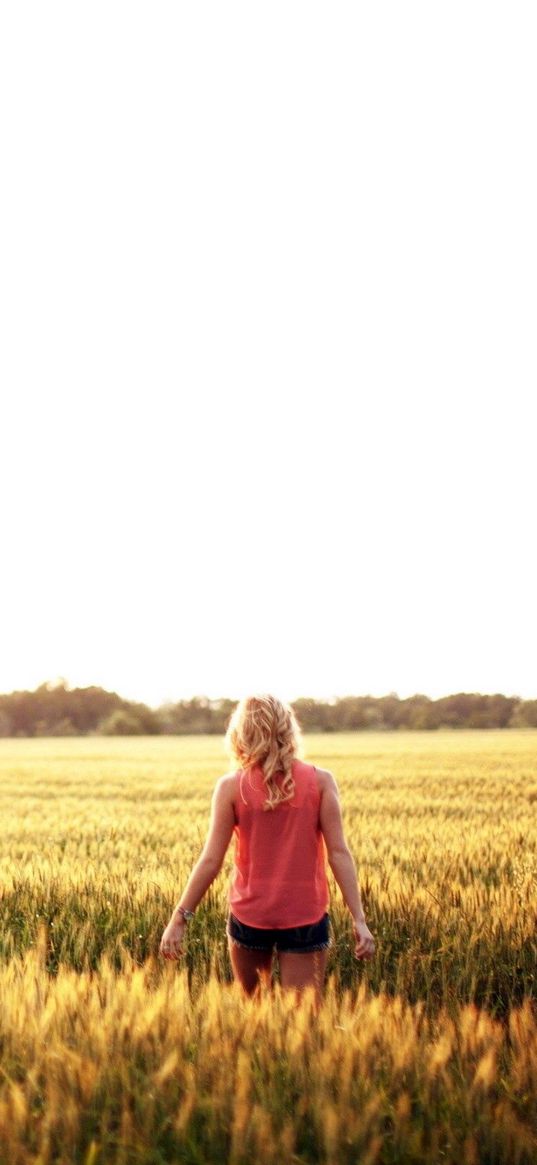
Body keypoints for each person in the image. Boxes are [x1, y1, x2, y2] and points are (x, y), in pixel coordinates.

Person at [159, 693, 375, 1007]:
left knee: (255, 1013)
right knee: (301, 1026)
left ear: (241, 734)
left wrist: (180, 918)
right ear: (289, 731)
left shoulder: (231, 787)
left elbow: (210, 860)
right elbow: (339, 853)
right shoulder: (322, 782)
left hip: (250, 914)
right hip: (305, 915)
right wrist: (358, 919)